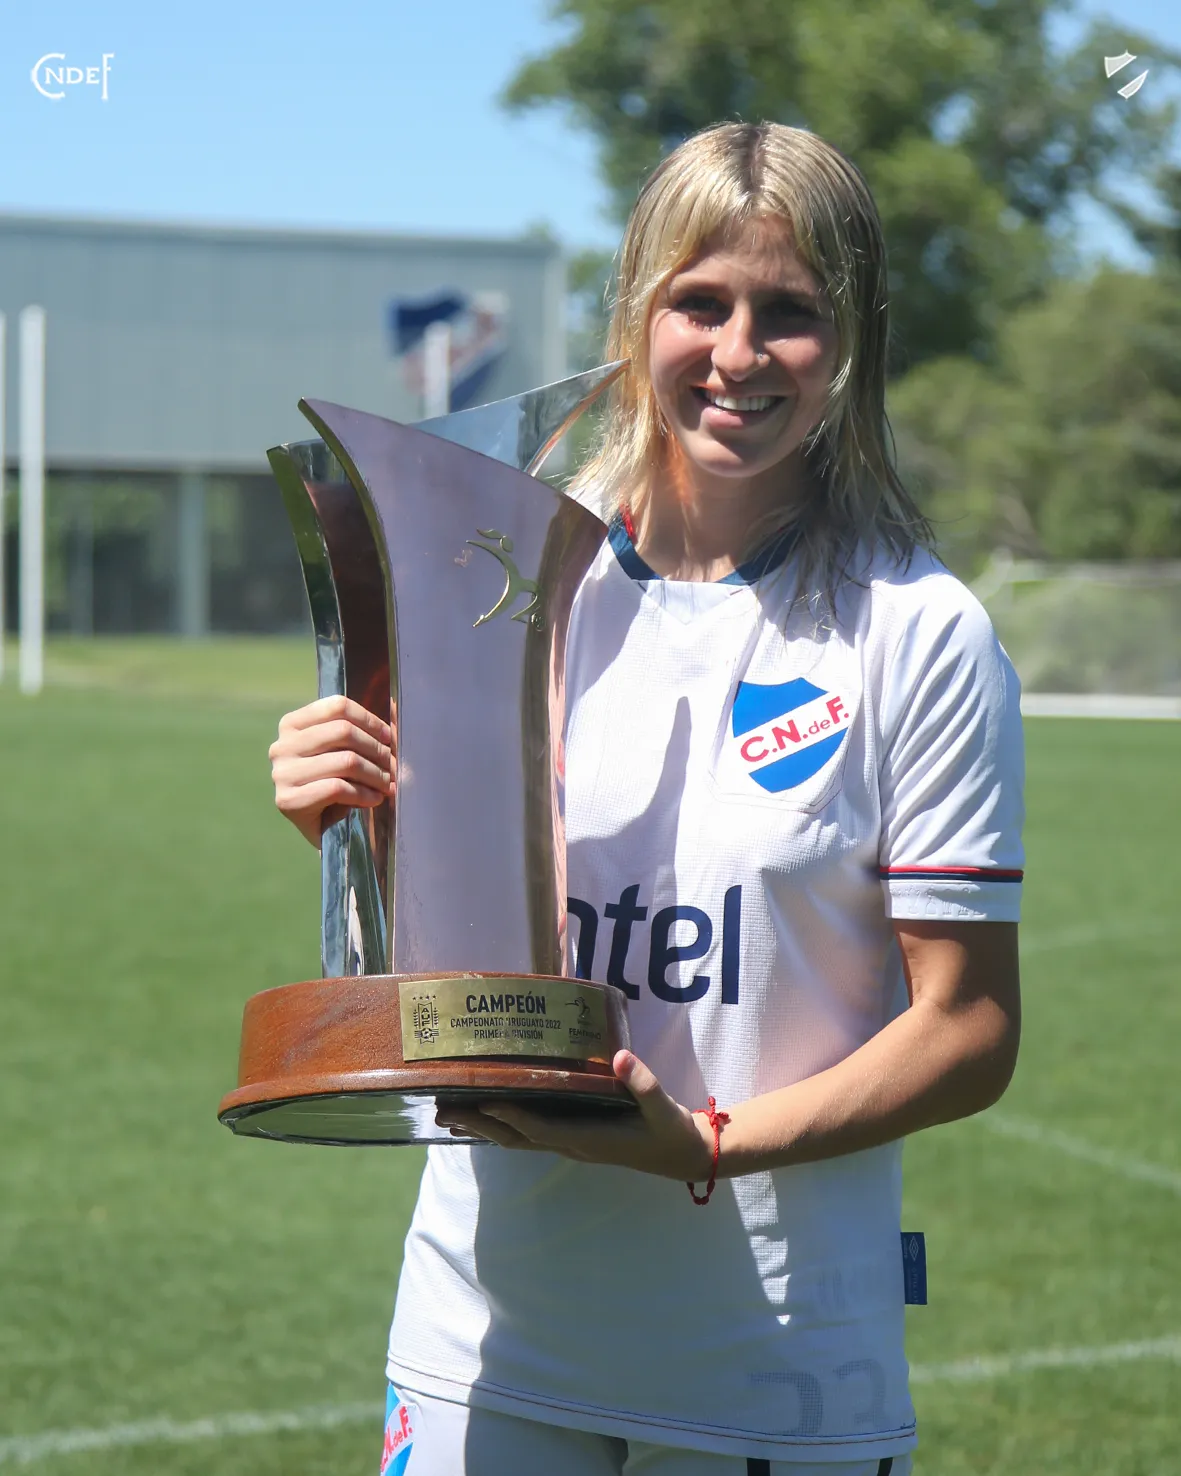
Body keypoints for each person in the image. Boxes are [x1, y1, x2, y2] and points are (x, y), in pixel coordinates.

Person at [269, 121, 1024, 1476]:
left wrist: (704, 1143)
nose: (739, 354)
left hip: (772, 1368)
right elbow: (461, 932)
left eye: (790, 311)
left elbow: (967, 1027)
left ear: (852, 337)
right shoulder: (502, 574)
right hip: (486, 1335)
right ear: (637, 314)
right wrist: (352, 811)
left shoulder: (919, 632)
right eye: (700, 302)